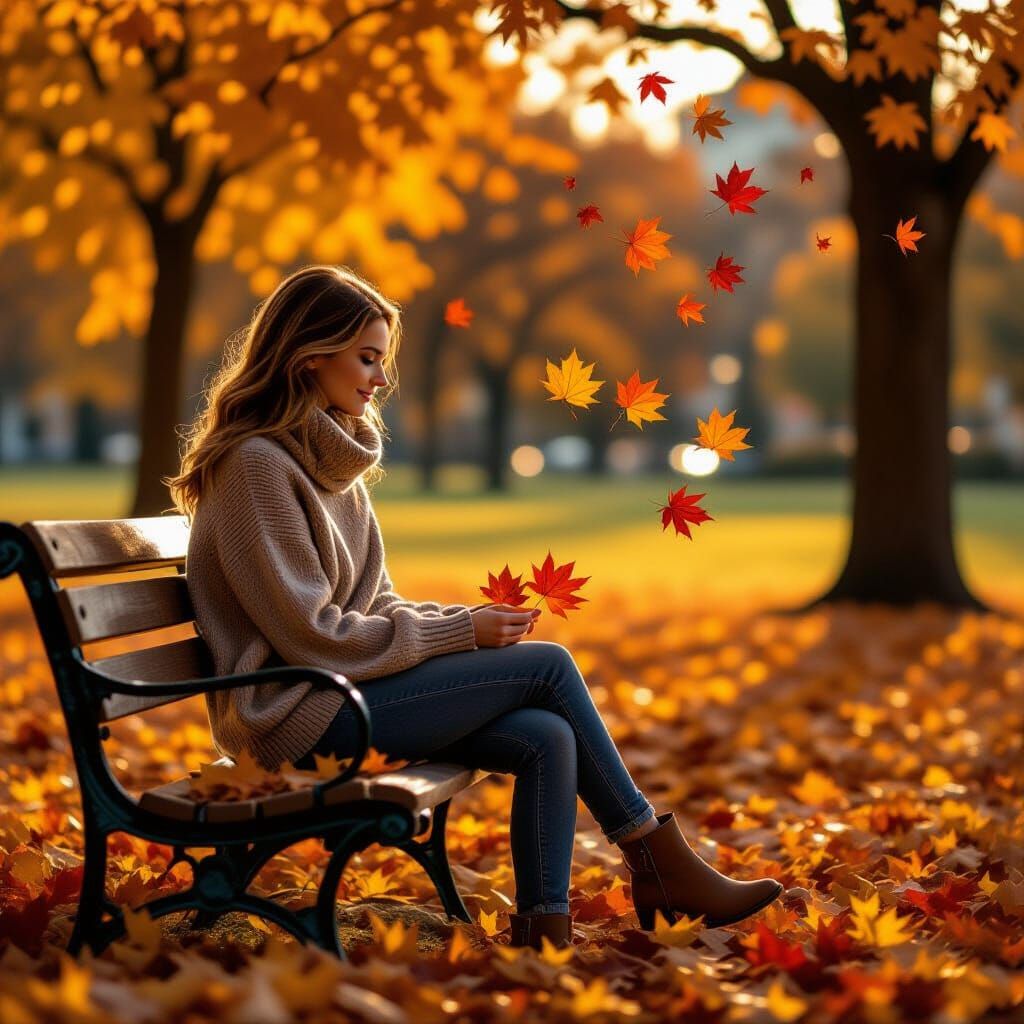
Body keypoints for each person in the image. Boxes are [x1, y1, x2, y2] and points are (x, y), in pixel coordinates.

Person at [168, 265, 784, 951]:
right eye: (367, 358)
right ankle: (655, 861)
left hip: (341, 694)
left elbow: (376, 603)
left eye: (383, 360)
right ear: (310, 355)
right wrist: (463, 632)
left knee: (545, 737)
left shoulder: (328, 466)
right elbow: (315, 635)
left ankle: (545, 931)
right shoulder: (258, 466)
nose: (379, 379)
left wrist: (463, 623)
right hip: (295, 714)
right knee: (548, 667)